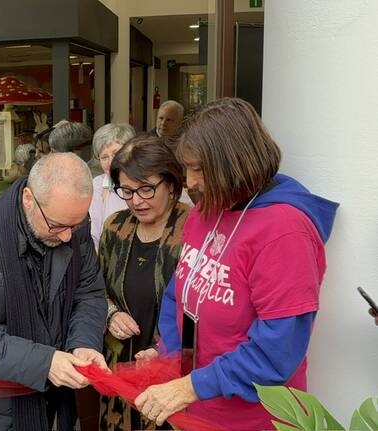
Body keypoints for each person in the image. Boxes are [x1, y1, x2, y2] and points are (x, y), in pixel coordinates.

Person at [134, 98, 339, 430]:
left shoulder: (284, 231)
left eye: (199, 169)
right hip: (197, 407)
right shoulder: (207, 209)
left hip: (254, 419)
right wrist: (171, 356)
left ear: (234, 163)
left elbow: (277, 352)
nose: (190, 182)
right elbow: (180, 292)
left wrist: (189, 386)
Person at [0, 152, 108, 431]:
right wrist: (45, 362)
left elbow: (88, 293)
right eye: (57, 225)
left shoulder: (74, 224)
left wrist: (84, 343)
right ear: (29, 198)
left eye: (74, 225)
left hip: (56, 398)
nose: (67, 236)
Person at [99, 135, 190, 431]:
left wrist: (165, 349)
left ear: (172, 184)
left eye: (147, 189)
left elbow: (203, 309)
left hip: (174, 375)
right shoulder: (115, 226)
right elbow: (92, 289)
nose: (136, 200)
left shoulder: (194, 229)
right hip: (119, 368)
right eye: (127, 190)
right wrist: (111, 313)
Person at [88, 123, 135, 247]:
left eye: (116, 153)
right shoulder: (97, 186)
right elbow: (93, 234)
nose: (111, 162)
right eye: (104, 157)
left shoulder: (148, 180)